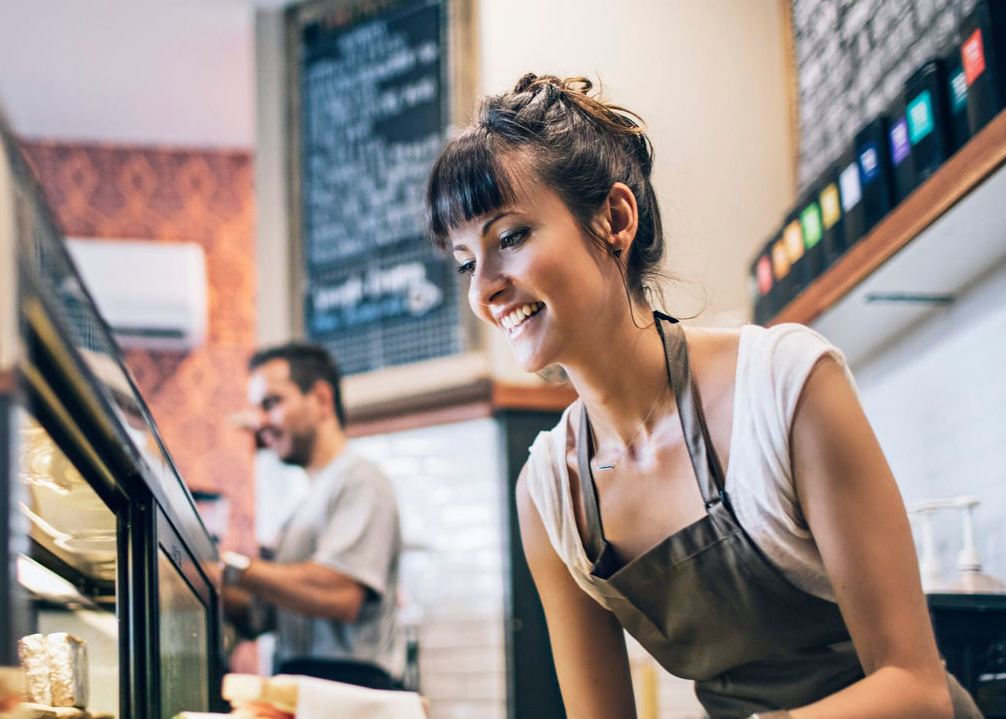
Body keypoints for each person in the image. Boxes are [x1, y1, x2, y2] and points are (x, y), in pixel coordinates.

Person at [423, 73, 979, 718]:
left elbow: (917, 690)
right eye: (466, 261)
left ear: (615, 218)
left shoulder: (782, 386)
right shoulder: (550, 495)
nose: (484, 288)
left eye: (510, 237)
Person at [215, 341, 404, 690]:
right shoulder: (299, 508)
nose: (260, 422)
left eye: (271, 403)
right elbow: (262, 615)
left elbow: (340, 593)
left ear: (321, 399)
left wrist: (235, 568)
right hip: (302, 682)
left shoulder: (360, 478)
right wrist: (199, 577)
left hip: (351, 689)